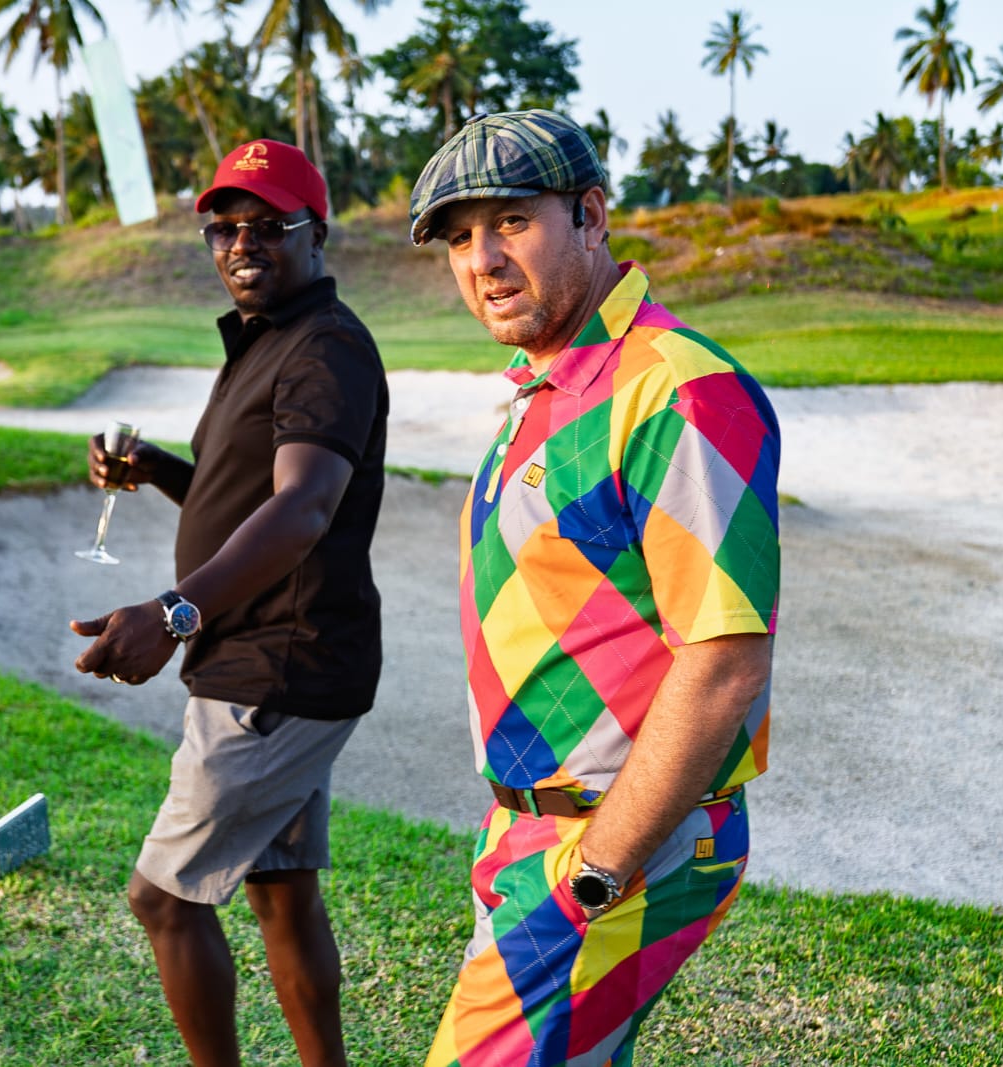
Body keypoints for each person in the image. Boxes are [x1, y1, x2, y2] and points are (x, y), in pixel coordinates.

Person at [408, 110, 781, 1066]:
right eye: (458, 238)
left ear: (591, 215)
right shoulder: (551, 383)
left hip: (615, 838)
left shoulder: (675, 389)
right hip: (538, 830)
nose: (483, 260)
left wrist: (598, 871)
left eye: (511, 222)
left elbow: (726, 663)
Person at [69, 138, 388, 1067]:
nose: (242, 243)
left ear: (317, 233)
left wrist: (174, 612)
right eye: (224, 228)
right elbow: (247, 491)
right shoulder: (268, 338)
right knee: (281, 892)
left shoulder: (325, 347)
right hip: (277, 653)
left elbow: (305, 507)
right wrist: (159, 469)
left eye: (268, 225)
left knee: (162, 898)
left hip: (276, 662)